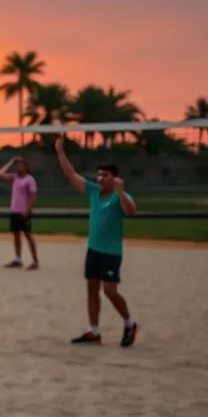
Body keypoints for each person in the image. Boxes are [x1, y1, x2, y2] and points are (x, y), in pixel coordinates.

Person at [54, 137, 138, 347]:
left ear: (115, 178)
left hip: (111, 252)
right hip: (94, 250)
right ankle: (94, 331)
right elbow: (71, 174)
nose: (100, 178)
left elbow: (131, 212)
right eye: (99, 175)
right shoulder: (93, 192)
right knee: (92, 289)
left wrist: (120, 191)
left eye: (105, 175)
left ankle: (129, 323)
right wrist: (60, 152)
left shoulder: (121, 196)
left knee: (110, 291)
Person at [0, 156, 39, 269]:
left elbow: (33, 195)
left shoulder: (30, 179)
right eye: (18, 166)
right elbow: (0, 173)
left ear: (26, 167)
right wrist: (11, 161)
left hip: (23, 211)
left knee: (28, 235)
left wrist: (28, 209)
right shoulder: (14, 178)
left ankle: (35, 260)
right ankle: (17, 259)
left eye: (21, 165)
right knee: (16, 235)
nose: (19, 167)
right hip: (14, 210)